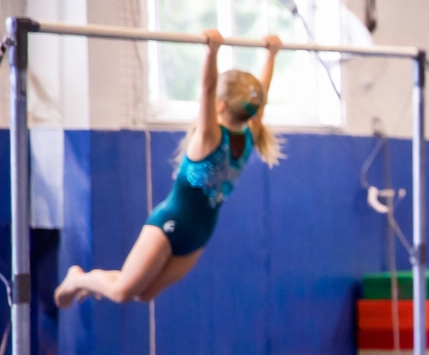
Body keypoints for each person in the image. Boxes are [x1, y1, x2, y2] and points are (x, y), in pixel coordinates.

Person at [55, 31, 282, 307]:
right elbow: (213, 91)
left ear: (222, 106)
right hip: (168, 225)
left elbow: (251, 95)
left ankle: (94, 281)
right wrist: (220, 54)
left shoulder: (248, 136)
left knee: (144, 293)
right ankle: (77, 279)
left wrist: (256, 54)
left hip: (198, 235)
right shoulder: (210, 137)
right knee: (121, 293)